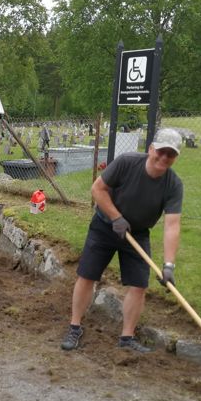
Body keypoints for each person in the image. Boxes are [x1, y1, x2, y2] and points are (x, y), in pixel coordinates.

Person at [60, 128, 184, 353]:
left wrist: (168, 265)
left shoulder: (173, 184)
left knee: (139, 285)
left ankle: (127, 338)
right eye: (162, 151)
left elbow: (172, 225)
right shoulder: (127, 163)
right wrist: (116, 217)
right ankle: (74, 327)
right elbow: (97, 189)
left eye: (171, 154)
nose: (165, 158)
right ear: (151, 149)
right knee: (87, 275)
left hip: (137, 234)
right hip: (104, 227)